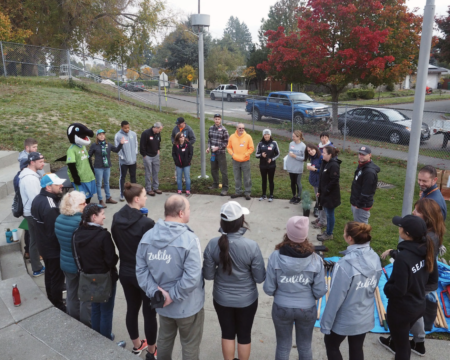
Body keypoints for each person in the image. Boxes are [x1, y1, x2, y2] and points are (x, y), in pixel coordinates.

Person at [136, 195, 204, 360]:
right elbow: (192, 277)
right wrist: (171, 296)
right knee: (189, 345)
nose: (189, 212)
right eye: (188, 209)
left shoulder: (147, 237)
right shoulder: (190, 240)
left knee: (165, 339)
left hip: (163, 306)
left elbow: (141, 271)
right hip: (188, 307)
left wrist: (157, 294)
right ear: (181, 213)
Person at [380, 198, 444, 357]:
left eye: (417, 211)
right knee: (402, 341)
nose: (413, 212)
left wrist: (387, 288)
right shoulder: (425, 246)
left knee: (402, 348)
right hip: (418, 303)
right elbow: (430, 275)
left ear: (406, 233)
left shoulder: (404, 258)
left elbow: (399, 289)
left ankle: (406, 342)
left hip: (402, 308)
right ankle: (415, 342)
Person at [203, 201, 266, 360]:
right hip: (247, 300)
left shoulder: (212, 244)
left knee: (227, 333)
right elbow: (260, 278)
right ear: (241, 221)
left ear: (222, 222)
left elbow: (209, 275)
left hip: (222, 299)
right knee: (244, 335)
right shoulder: (252, 246)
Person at [264, 216, 326, 360]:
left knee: (283, 346)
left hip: (281, 307)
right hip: (307, 308)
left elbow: (268, 288)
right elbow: (320, 290)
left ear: (287, 233)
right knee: (305, 346)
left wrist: (280, 293)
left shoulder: (275, 256)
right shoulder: (316, 259)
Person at [321, 222, 382, 360]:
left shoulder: (344, 266)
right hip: (364, 316)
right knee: (356, 347)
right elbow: (374, 285)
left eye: (344, 232)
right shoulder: (375, 258)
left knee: (331, 345)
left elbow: (335, 299)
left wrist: (326, 324)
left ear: (349, 238)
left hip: (345, 318)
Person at [111, 182, 157, 357]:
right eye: (144, 195)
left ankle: (137, 345)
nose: (146, 198)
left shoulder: (116, 217)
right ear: (137, 199)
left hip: (126, 271)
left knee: (132, 308)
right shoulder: (147, 223)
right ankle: (152, 351)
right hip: (144, 275)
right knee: (149, 313)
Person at [73, 204, 125, 347]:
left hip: (88, 278)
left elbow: (76, 256)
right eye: (102, 213)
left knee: (95, 308)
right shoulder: (103, 235)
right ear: (94, 217)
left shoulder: (77, 233)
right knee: (106, 311)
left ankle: (98, 340)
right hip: (105, 279)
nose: (104, 216)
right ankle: (106, 342)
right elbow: (111, 260)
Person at [54, 191, 91, 325]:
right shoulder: (80, 222)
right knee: (85, 298)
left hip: (66, 262)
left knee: (71, 294)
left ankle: (74, 321)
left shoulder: (59, 219)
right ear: (75, 206)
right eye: (83, 203)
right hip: (81, 265)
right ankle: (87, 325)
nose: (86, 205)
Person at [31, 173, 66, 311]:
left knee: (50, 274)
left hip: (44, 245)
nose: (62, 185)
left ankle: (52, 298)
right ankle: (57, 304)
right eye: (58, 184)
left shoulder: (37, 199)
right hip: (53, 249)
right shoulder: (51, 206)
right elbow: (54, 231)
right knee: (56, 277)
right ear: (48, 187)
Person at [18, 138, 45, 260]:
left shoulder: (30, 176)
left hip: (30, 211)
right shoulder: (30, 179)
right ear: (32, 162)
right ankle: (37, 264)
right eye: (40, 162)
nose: (43, 164)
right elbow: (35, 199)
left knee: (34, 239)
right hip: (33, 212)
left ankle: (36, 266)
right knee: (37, 239)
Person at [88, 129, 124, 207]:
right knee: (99, 184)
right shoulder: (94, 145)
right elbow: (89, 155)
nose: (102, 136)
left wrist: (121, 144)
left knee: (107, 182)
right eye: (100, 134)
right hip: (98, 167)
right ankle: (100, 200)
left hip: (107, 167)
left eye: (103, 134)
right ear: (97, 136)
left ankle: (108, 198)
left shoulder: (109, 144)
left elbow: (116, 150)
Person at [350, 146, 380, 224]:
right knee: (358, 226)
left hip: (361, 205)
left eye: (363, 154)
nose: (361, 156)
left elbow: (367, 192)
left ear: (370, 155)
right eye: (360, 154)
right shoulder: (362, 166)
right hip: (357, 202)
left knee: (361, 229)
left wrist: (358, 204)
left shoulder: (369, 172)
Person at [317, 146, 341, 241]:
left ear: (330, 154)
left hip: (331, 195)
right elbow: (322, 178)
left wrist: (326, 191)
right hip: (325, 193)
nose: (322, 154)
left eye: (324, 153)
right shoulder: (325, 163)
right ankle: (327, 231)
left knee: (330, 214)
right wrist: (320, 190)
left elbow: (334, 180)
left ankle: (329, 233)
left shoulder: (334, 165)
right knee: (327, 213)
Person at [227, 123, 255, 200]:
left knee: (247, 177)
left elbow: (251, 148)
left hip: (245, 161)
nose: (241, 129)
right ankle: (238, 192)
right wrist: (232, 154)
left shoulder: (248, 137)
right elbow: (229, 147)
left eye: (243, 128)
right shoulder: (232, 137)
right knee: (237, 177)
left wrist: (246, 154)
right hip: (235, 160)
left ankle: (247, 192)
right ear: (236, 128)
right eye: (240, 128)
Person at [206, 113, 229, 196]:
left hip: (221, 153)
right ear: (214, 119)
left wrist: (218, 147)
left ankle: (225, 187)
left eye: (218, 119)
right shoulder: (211, 128)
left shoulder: (224, 129)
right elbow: (209, 139)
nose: (217, 120)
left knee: (223, 171)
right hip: (213, 154)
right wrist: (208, 147)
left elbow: (226, 142)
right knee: (213, 169)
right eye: (216, 119)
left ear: (221, 120)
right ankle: (215, 184)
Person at [115, 121, 138, 201]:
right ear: (122, 127)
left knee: (133, 177)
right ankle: (122, 194)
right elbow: (117, 148)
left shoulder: (133, 134)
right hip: (124, 162)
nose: (127, 129)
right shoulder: (118, 135)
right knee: (123, 177)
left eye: (128, 127)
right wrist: (122, 157)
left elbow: (136, 144)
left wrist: (135, 154)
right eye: (125, 128)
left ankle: (134, 194)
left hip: (133, 161)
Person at [255, 129, 279, 202]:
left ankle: (271, 195)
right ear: (263, 135)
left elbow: (278, 154)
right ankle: (264, 194)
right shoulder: (260, 143)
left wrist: (271, 159)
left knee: (271, 180)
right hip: (263, 165)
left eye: (268, 134)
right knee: (264, 180)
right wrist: (261, 155)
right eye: (265, 134)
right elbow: (256, 154)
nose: (266, 136)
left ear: (270, 135)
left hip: (271, 165)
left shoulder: (274, 143)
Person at [140, 122, 163, 196]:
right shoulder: (146, 133)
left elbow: (158, 141)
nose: (160, 131)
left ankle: (155, 187)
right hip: (147, 156)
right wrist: (144, 155)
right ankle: (148, 189)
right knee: (148, 172)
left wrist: (158, 149)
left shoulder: (158, 134)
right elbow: (142, 145)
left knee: (156, 171)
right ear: (156, 128)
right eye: (159, 129)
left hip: (155, 155)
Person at [306, 143, 326, 227]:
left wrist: (313, 169)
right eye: (308, 151)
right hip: (314, 182)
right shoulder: (312, 158)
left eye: (312, 149)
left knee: (321, 202)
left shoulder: (321, 158)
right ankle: (320, 218)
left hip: (320, 183)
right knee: (318, 202)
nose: (310, 152)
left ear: (315, 148)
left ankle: (323, 221)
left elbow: (323, 171)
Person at [171, 117, 196, 183]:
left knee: (185, 164)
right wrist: (174, 142)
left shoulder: (188, 129)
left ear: (183, 123)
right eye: (177, 124)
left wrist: (187, 145)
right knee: (177, 164)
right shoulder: (175, 128)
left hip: (186, 150)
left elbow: (193, 139)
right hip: (178, 149)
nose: (178, 125)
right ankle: (177, 180)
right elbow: (172, 136)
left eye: (179, 124)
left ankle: (185, 180)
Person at [285, 130, 306, 204]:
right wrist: (287, 163)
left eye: (294, 136)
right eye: (292, 136)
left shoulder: (303, 146)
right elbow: (289, 154)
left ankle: (299, 197)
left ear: (299, 137)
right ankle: (294, 196)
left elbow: (304, 158)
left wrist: (295, 156)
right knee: (292, 182)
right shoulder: (291, 144)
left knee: (298, 182)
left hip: (298, 167)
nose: (292, 137)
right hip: (291, 166)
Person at [172, 132, 193, 196]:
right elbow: (174, 154)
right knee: (179, 177)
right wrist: (176, 161)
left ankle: (188, 190)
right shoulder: (175, 145)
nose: (182, 138)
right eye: (181, 137)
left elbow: (190, 153)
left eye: (183, 136)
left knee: (187, 177)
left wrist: (188, 160)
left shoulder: (188, 144)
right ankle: (179, 189)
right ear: (178, 138)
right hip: (178, 164)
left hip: (186, 164)